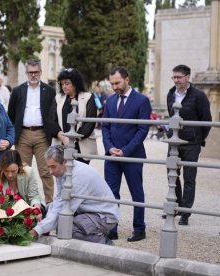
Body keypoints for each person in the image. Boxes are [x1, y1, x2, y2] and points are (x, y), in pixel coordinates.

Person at [29, 145, 120, 245]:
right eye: (49, 167)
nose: (50, 172)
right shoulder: (63, 170)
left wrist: (36, 231)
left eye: (53, 167)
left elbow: (62, 209)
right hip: (86, 209)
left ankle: (104, 242)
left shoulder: (78, 178)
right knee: (48, 209)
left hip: (104, 215)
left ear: (65, 161)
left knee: (66, 229)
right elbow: (59, 199)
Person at [102, 66, 151, 242]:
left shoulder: (142, 100)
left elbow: (143, 129)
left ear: (127, 80)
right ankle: (112, 228)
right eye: (112, 83)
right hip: (112, 156)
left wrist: (126, 150)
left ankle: (139, 228)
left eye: (117, 83)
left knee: (136, 193)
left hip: (132, 155)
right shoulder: (110, 100)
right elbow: (105, 126)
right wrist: (109, 148)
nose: (114, 87)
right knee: (111, 193)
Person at [162, 64, 212, 226]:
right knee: (172, 175)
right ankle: (175, 207)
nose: (176, 80)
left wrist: (197, 138)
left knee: (189, 178)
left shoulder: (199, 96)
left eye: (179, 77)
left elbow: (206, 121)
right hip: (174, 141)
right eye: (174, 77)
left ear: (187, 77)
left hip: (192, 142)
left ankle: (186, 212)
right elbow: (171, 117)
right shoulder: (171, 94)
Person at [8, 59, 56, 204]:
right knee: (22, 172)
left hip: (42, 135)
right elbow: (11, 114)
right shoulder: (17, 91)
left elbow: (53, 114)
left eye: (36, 72)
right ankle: (22, 206)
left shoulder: (49, 90)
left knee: (46, 171)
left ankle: (49, 205)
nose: (33, 75)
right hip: (23, 134)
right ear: (26, 73)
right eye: (30, 72)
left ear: (40, 72)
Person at [50, 68, 97, 164]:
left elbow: (90, 123)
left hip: (81, 146)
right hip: (61, 144)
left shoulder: (88, 97)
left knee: (80, 176)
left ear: (75, 83)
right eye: (62, 84)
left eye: (67, 83)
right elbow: (52, 122)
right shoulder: (58, 98)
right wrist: (64, 138)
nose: (64, 86)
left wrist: (73, 139)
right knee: (61, 175)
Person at [0, 150, 46, 221]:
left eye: (13, 171)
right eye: (6, 171)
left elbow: (34, 197)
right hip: (8, 215)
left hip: (29, 208)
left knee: (38, 212)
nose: (10, 175)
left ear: (19, 167)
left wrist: (36, 208)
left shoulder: (29, 172)